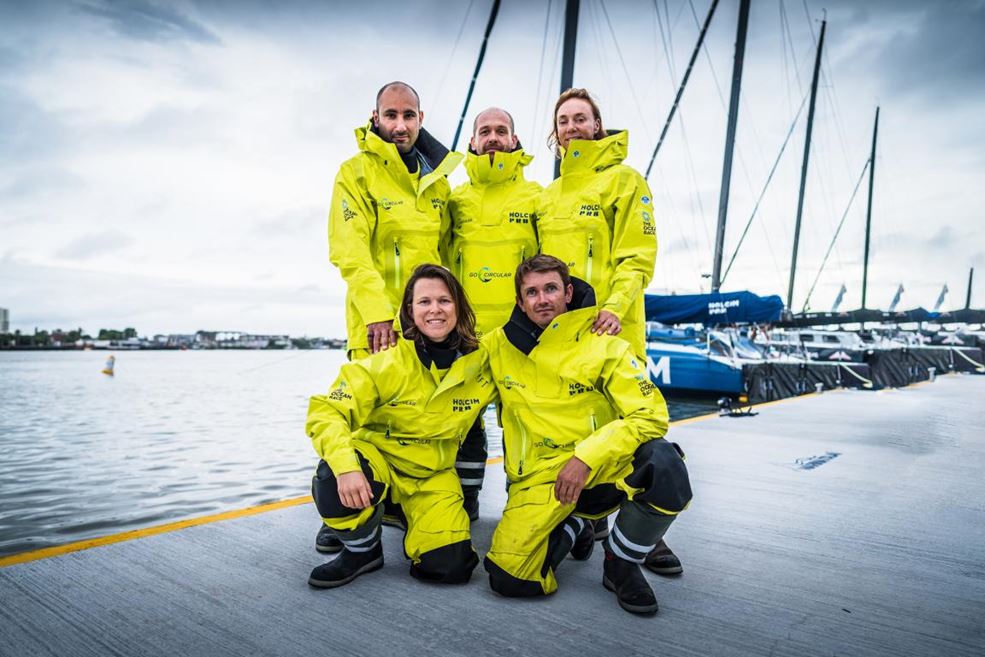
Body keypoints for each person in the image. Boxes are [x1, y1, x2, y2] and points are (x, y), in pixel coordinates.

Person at [481, 255, 692, 615]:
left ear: (567, 292)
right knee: (510, 580)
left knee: (665, 466)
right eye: (531, 292)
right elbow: (448, 382)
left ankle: (620, 560)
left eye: (550, 288)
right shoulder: (495, 347)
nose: (542, 299)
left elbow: (651, 416)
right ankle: (577, 524)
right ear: (519, 302)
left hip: (601, 467)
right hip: (539, 477)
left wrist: (585, 458)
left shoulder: (605, 342)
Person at [318, 81, 462, 552]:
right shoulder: (355, 173)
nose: (400, 125)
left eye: (409, 115)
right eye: (391, 115)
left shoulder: (437, 182)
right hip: (375, 322)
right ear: (375, 117)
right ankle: (346, 514)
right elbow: (349, 251)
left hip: (429, 325)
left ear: (421, 119)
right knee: (366, 419)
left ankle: (402, 504)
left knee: (416, 415)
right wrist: (379, 314)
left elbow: (446, 258)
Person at [539, 88, 678, 569]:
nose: (573, 126)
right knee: (580, 426)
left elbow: (637, 256)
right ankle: (592, 518)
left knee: (631, 428)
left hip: (615, 328)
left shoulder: (626, 180)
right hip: (564, 338)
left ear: (597, 125)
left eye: (581, 118)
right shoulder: (547, 196)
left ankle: (644, 530)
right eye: (564, 120)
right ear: (555, 134)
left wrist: (615, 307)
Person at [306, 264, 496, 588]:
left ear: (459, 307)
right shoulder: (384, 363)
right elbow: (326, 411)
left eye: (444, 301)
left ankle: (404, 512)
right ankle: (362, 549)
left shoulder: (483, 363)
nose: (434, 309)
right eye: (424, 302)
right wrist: (346, 467)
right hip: (381, 463)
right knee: (331, 480)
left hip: (432, 475)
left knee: (451, 569)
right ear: (409, 311)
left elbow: (530, 352)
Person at [443, 107, 541, 520]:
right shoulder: (454, 199)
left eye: (502, 130)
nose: (494, 137)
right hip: (466, 335)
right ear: (472, 142)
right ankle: (464, 501)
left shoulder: (537, 197)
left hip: (519, 335)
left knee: (523, 425)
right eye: (485, 131)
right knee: (462, 422)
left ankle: (526, 504)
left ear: (515, 140)